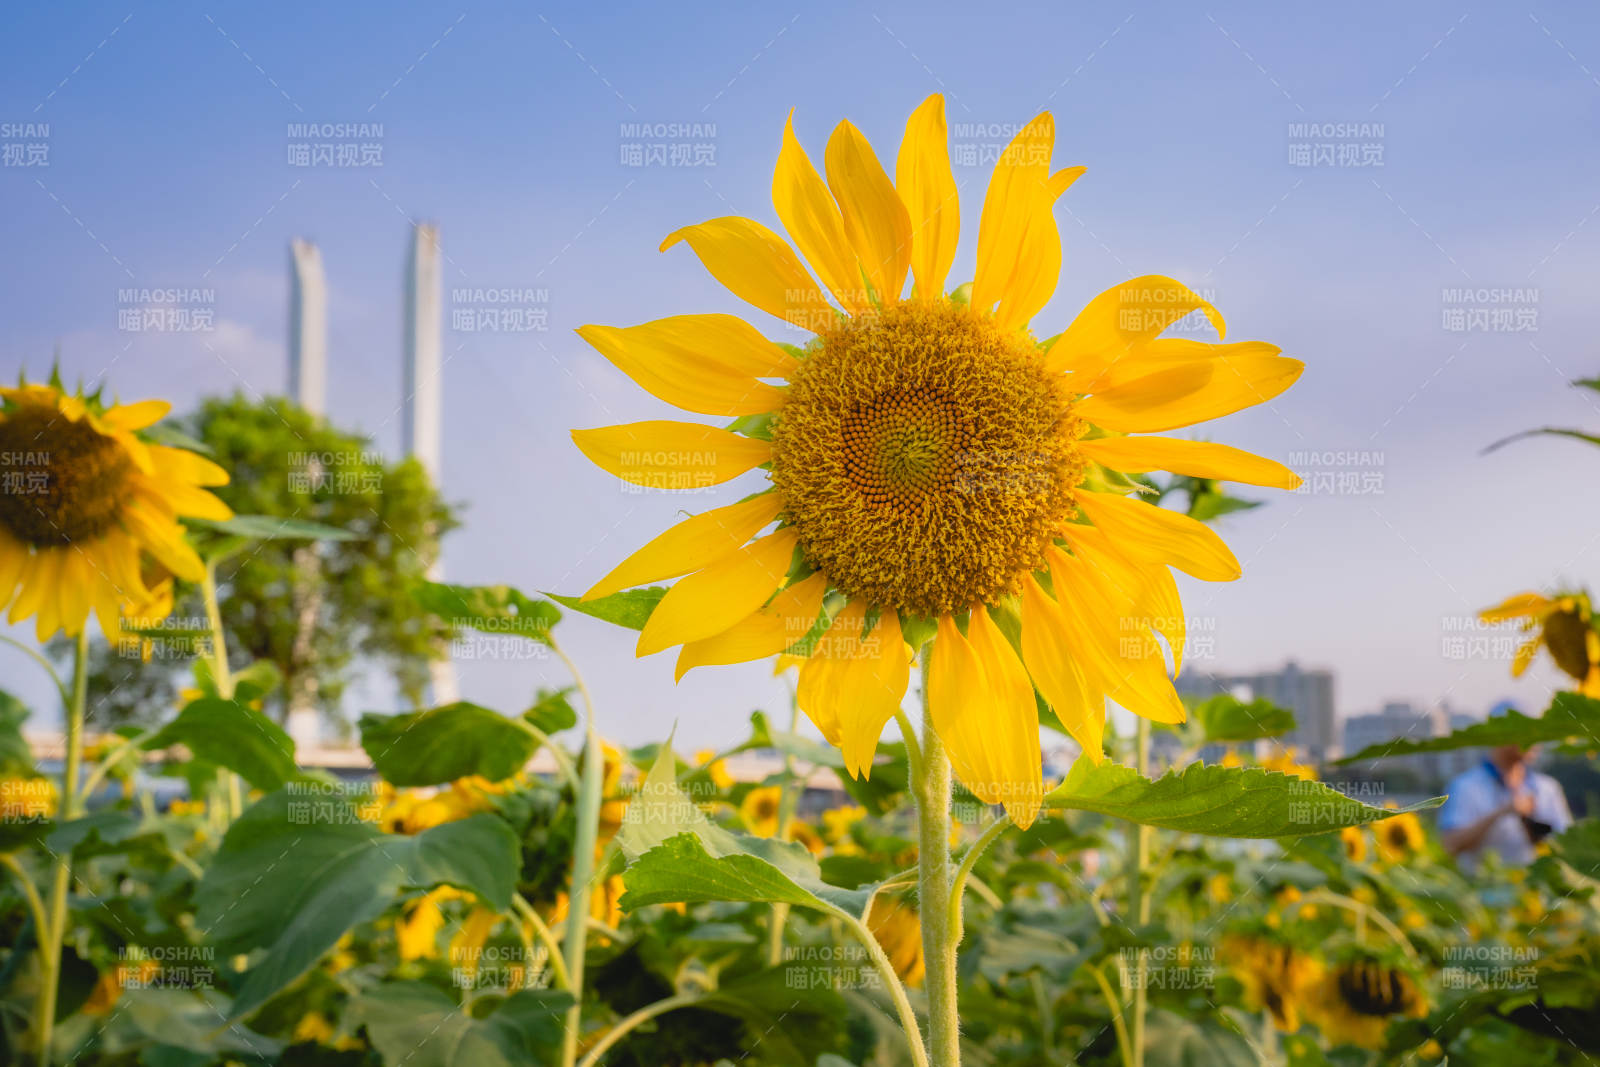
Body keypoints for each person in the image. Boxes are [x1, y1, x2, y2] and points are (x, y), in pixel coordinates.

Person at [1438, 743, 1572, 873]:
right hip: (1481, 887)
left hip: (1534, 888)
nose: (1534, 742)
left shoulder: (1548, 787)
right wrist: (1501, 813)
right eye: (1525, 734)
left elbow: (1566, 844)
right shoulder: (1464, 787)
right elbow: (1451, 845)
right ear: (1500, 736)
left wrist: (1528, 820)